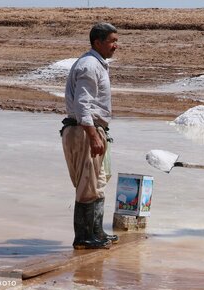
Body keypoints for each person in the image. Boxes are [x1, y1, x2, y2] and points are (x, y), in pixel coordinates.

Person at [60, 22, 119, 249]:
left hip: (93, 130)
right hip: (84, 130)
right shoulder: (89, 66)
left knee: (99, 182)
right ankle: (84, 238)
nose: (116, 46)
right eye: (112, 41)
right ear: (98, 42)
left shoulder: (97, 64)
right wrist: (93, 136)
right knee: (87, 185)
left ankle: (97, 232)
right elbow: (82, 105)